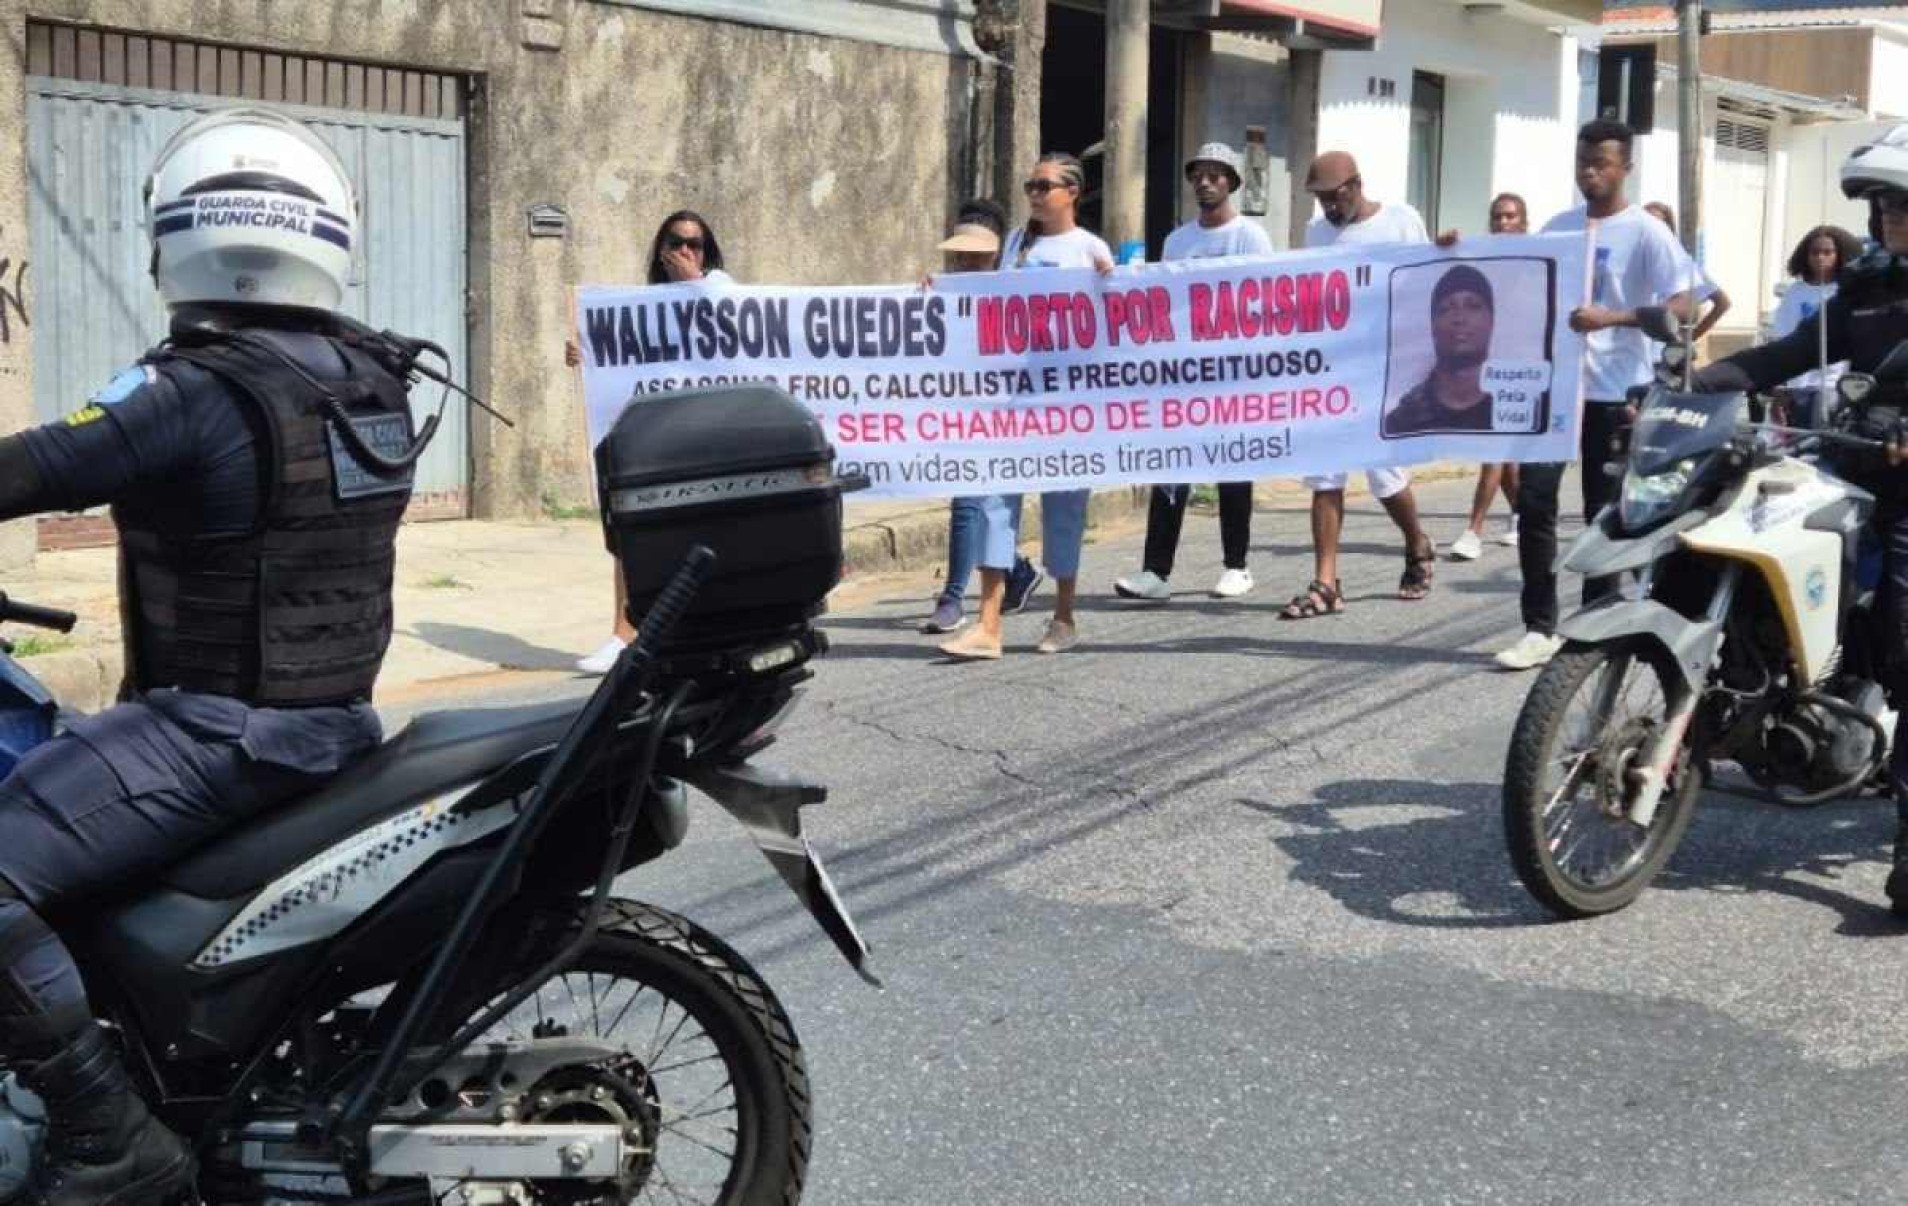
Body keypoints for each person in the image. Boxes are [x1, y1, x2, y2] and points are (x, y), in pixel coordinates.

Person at [0, 108, 416, 1203]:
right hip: (330, 720)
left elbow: (36, 466)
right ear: (326, 231)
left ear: (176, 232)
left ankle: (107, 1130)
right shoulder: (365, 375)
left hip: (214, 734)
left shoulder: (194, 390)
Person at [1692, 123, 1908, 916]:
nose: (1888, 218)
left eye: (1901, 204)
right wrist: (1697, 379)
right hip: (1849, 462)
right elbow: (1784, 355)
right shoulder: (1868, 288)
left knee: (1904, 634)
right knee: (1745, 551)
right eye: (1882, 205)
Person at [1494, 120, 1705, 671]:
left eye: (1602, 163)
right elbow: (1514, 280)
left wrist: (1615, 316)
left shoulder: (1645, 233)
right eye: (1583, 161)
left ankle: (1593, 626)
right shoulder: (1560, 227)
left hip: (1616, 392)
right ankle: (1538, 626)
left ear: (1625, 168)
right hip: (1556, 389)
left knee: (1599, 514)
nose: (1590, 172)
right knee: (1536, 502)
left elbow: (1689, 305)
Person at [940, 152, 1113, 660]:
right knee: (995, 499)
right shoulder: (1016, 243)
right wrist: (941, 290)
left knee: (1064, 506)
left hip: (1066, 404)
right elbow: (991, 299)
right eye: (1030, 185)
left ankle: (1063, 615)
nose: (1035, 194)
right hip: (1011, 399)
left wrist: (1109, 282)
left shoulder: (1089, 249)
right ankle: (988, 623)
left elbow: (1113, 325)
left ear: (1071, 192)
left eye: (1044, 185)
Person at [1278, 151, 1438, 621]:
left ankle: (1417, 542)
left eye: (1333, 196)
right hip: (1334, 365)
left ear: (1356, 185)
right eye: (1321, 198)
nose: (1327, 206)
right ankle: (1326, 583)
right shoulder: (1317, 233)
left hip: (1387, 365)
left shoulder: (1401, 221)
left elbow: (1428, 277)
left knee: (1383, 475)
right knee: (1325, 473)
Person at [571, 210, 733, 673]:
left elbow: (736, 329)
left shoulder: (720, 287)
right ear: (660, 249)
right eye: (676, 242)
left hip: (703, 435)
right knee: (631, 529)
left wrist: (695, 281)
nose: (685, 251)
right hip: (654, 435)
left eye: (695, 244)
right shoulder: (640, 305)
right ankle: (624, 634)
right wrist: (587, 352)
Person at [1114, 141, 1276, 604]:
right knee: (1171, 471)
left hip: (1232, 372)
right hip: (1183, 374)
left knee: (1231, 469)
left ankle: (1236, 565)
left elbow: (1262, 305)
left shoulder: (1249, 237)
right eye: (1198, 175)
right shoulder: (1178, 241)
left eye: (1215, 175)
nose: (1205, 183)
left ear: (1232, 183)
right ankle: (1155, 571)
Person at [921, 199, 1044, 634]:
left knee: (970, 503)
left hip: (1006, 414)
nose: (966, 260)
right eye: (960, 252)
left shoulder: (1017, 293)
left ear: (996, 253)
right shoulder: (944, 291)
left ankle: (952, 599)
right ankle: (1017, 570)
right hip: (963, 412)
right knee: (978, 506)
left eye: (976, 252)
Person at [1450, 192, 1528, 560]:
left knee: (1494, 450)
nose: (1503, 223)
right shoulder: (1483, 260)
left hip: (1524, 371)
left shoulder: (1535, 262)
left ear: (1524, 223)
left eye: (1511, 217)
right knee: (1505, 455)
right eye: (1497, 217)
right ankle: (1522, 515)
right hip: (1487, 366)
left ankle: (1473, 530)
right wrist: (1446, 246)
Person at [1763, 224, 1864, 430]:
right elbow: (1783, 340)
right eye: (1815, 252)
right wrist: (1780, 388)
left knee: (1822, 438)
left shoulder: (1847, 291)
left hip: (1832, 385)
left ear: (1839, 255)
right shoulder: (1795, 293)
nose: (1820, 258)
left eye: (1827, 252)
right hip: (1798, 385)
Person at [1384, 265, 1500, 435]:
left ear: (1491, 320)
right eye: (1446, 308)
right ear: (1432, 326)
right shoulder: (1401, 422)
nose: (1460, 318)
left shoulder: (1516, 411)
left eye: (1473, 306)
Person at [1643, 201, 1733, 345]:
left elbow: (1723, 302)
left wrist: (1690, 337)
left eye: (1657, 225)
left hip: (1664, 355)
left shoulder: (1682, 265)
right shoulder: (1629, 264)